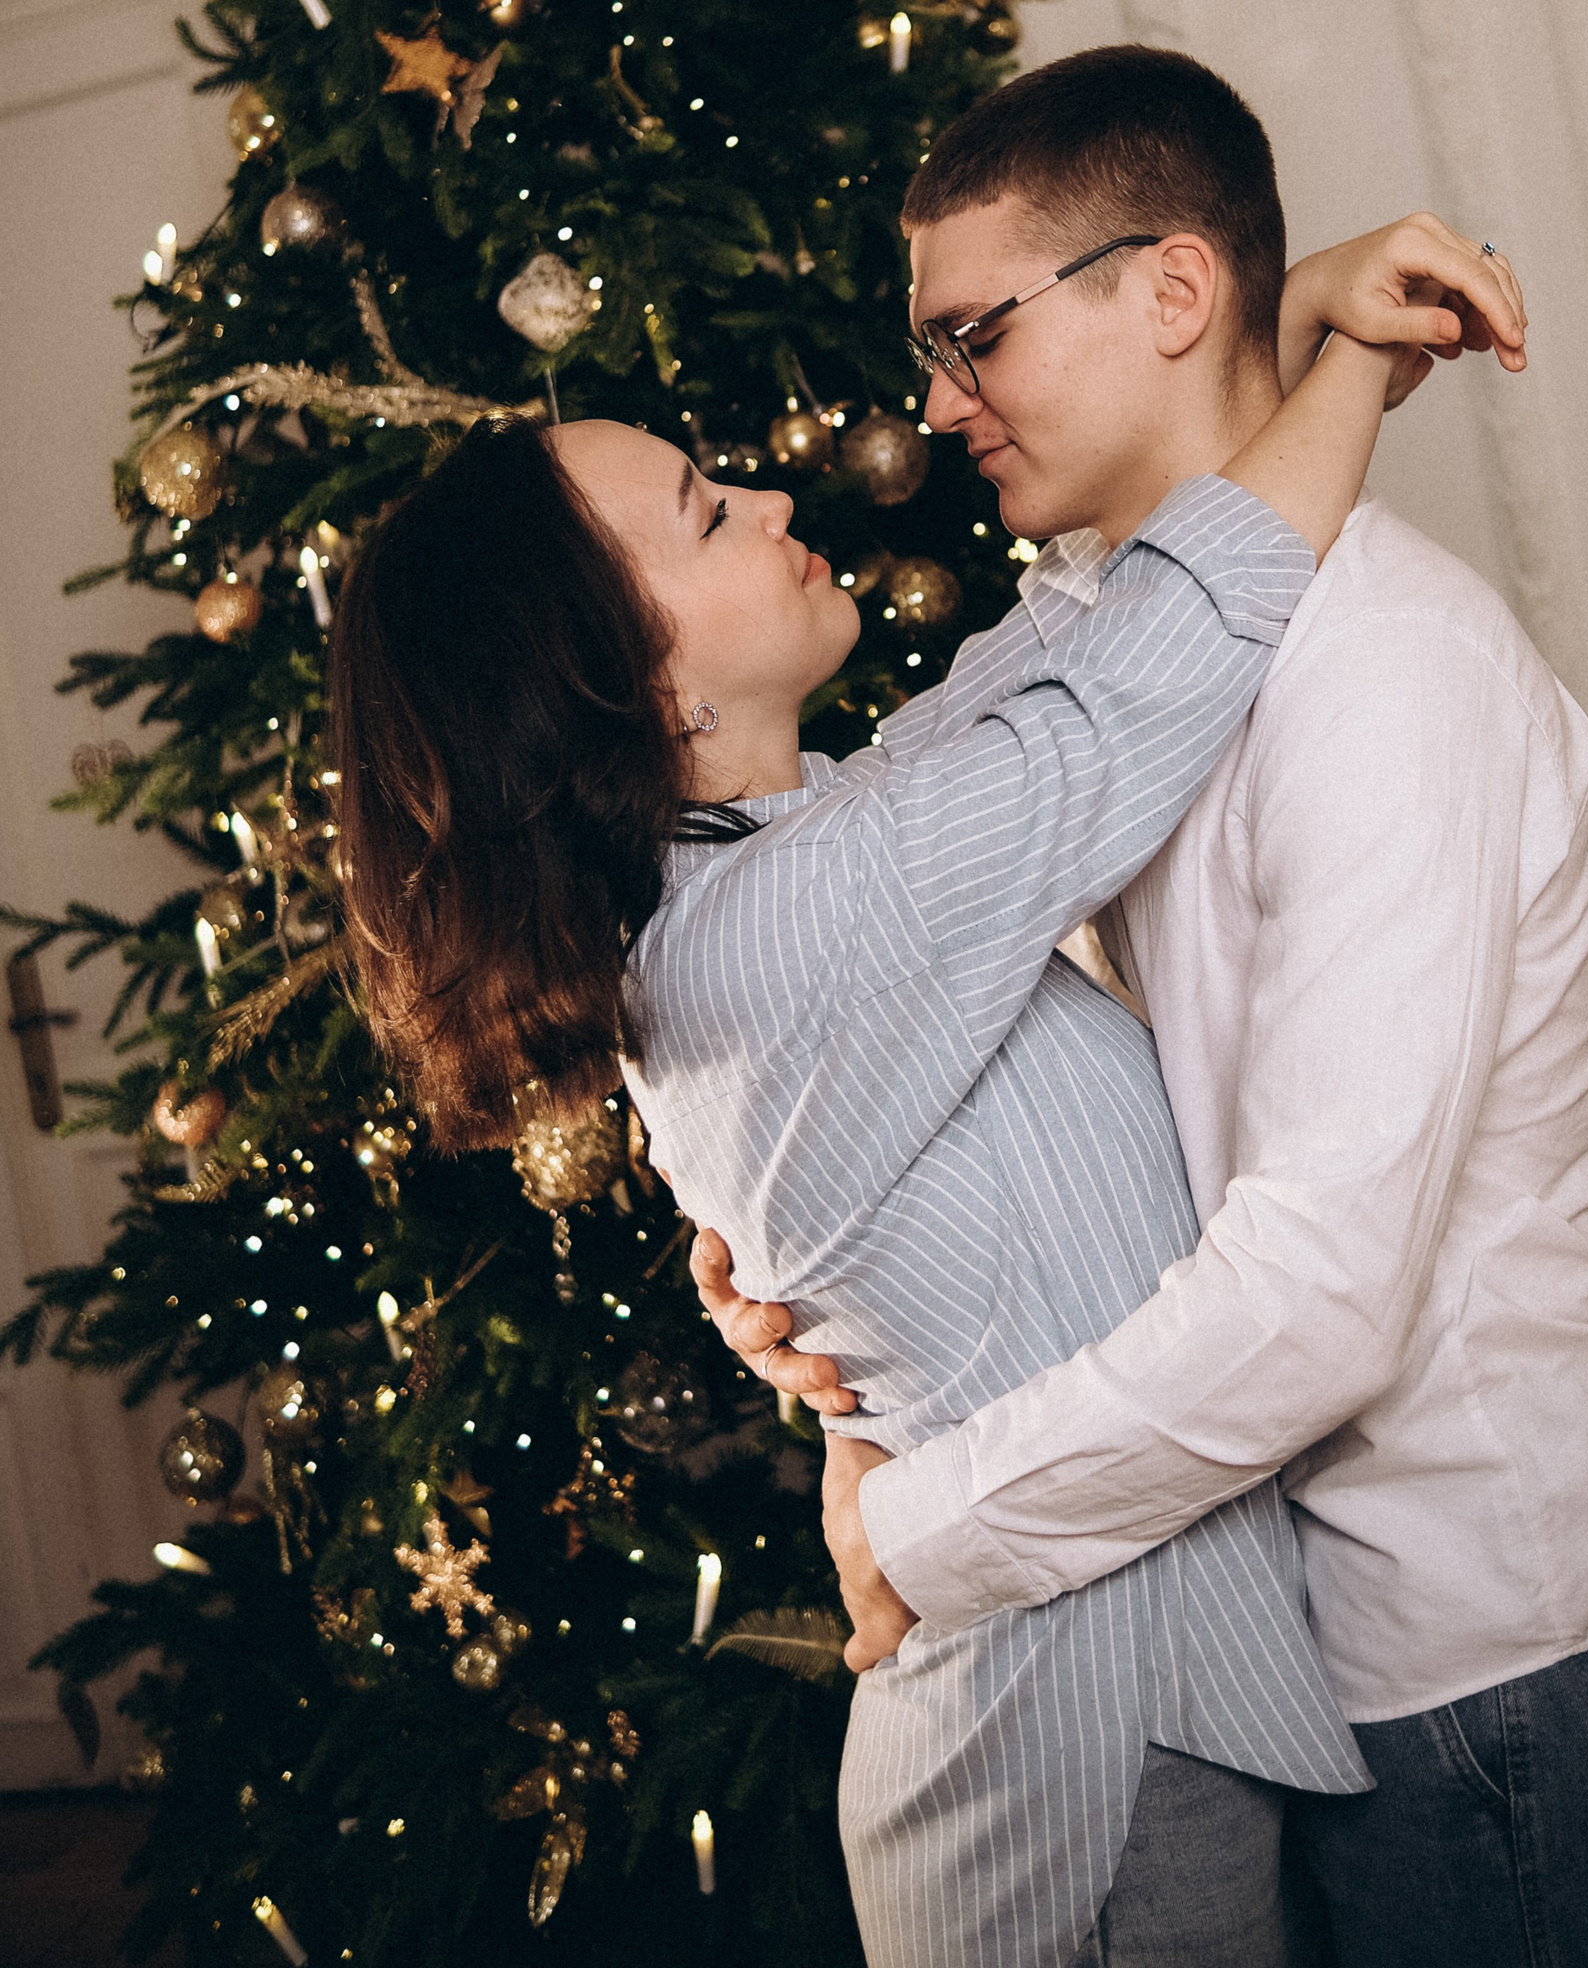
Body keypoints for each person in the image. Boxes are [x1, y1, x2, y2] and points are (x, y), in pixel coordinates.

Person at [327, 203, 1519, 1968]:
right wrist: (1351, 356)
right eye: (708, 515)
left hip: (1121, 1722)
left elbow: (1065, 640)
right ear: (632, 681)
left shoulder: (798, 847)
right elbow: (1151, 659)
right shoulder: (796, 921)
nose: (773, 502)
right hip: (1069, 1772)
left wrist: (1270, 327)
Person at [695, 45, 1588, 1968]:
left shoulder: (1388, 674)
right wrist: (812, 1256)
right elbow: (936, 988)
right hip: (1319, 1648)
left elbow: (1321, 1292)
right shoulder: (1107, 634)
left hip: (1514, 1652)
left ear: (1173, 290)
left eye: (973, 338)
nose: (934, 406)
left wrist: (916, 1531)